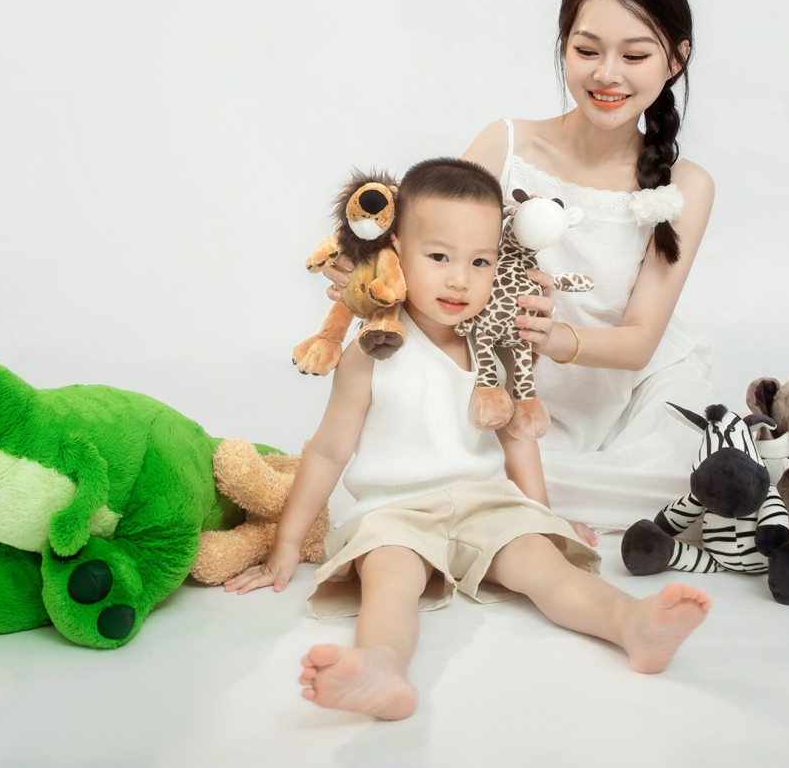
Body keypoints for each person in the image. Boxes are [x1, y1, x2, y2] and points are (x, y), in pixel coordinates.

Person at [226, 157, 710, 721]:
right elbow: (330, 450)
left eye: (480, 261)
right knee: (389, 579)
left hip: (487, 504)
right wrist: (286, 545)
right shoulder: (371, 350)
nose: (460, 279)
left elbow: (518, 443)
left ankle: (631, 623)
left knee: (545, 567)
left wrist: (542, 519)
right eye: (439, 257)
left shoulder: (498, 350)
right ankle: (381, 666)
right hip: (396, 512)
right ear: (396, 252)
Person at [323, 0, 720, 532]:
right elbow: (422, 248)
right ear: (564, 46)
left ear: (676, 59)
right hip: (494, 371)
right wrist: (369, 273)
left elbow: (638, 343)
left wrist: (553, 337)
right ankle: (522, 503)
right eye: (587, 50)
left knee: (689, 478)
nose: (607, 75)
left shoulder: (687, 186)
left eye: (635, 56)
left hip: (614, 386)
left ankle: (525, 504)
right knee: (468, 461)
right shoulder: (505, 143)